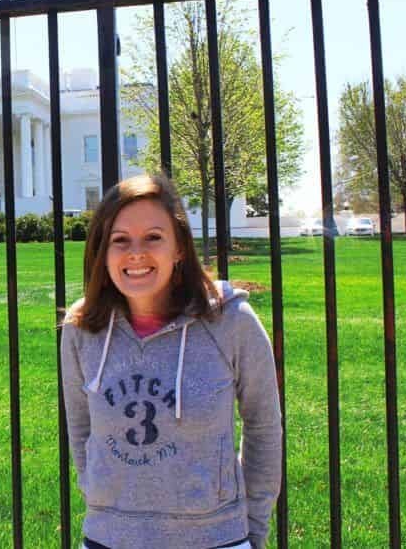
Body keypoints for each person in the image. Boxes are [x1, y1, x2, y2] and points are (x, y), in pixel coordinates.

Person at [60, 174, 282, 549]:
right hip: (107, 538)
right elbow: (80, 426)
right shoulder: (83, 328)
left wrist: (253, 528)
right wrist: (99, 495)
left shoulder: (230, 321)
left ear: (179, 247)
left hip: (214, 538)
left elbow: (264, 427)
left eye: (153, 237)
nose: (136, 253)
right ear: (103, 251)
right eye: (120, 240)